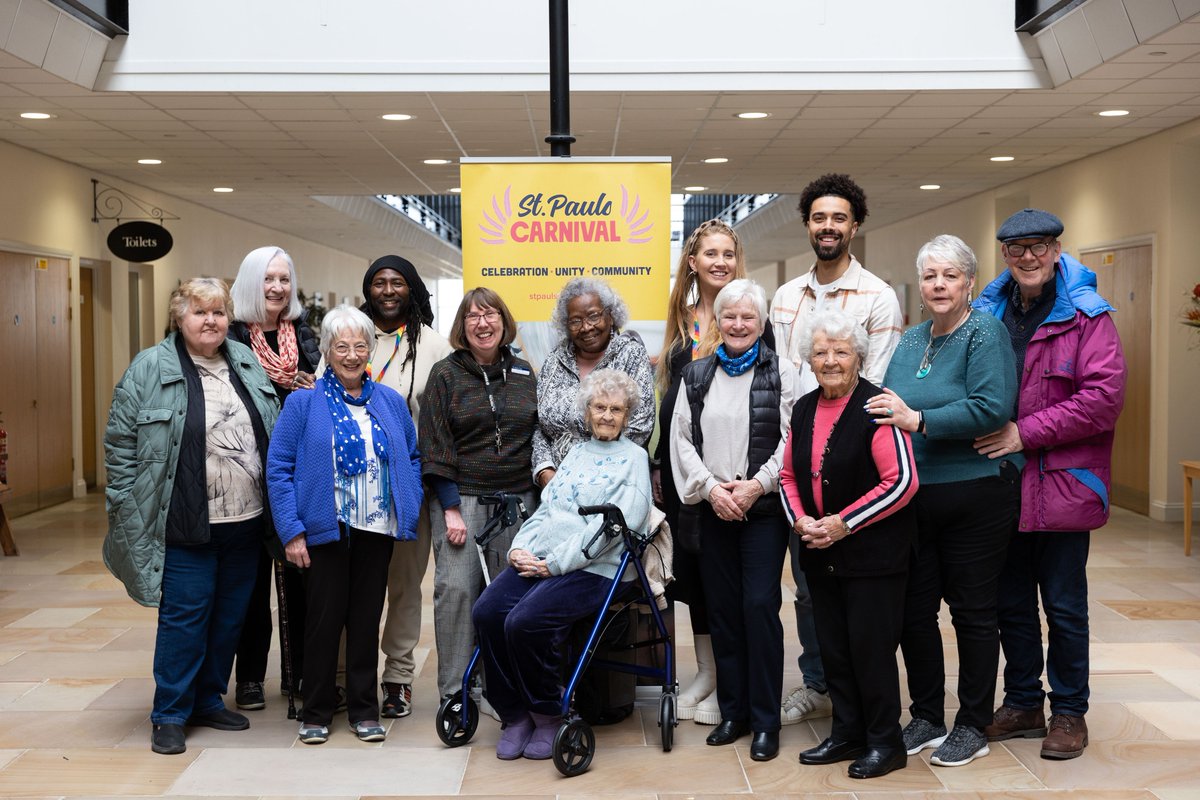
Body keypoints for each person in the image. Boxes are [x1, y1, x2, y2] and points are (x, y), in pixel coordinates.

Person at [102, 277, 280, 756]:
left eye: (219, 312)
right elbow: (120, 443)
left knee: (228, 618)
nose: (211, 321)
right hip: (184, 521)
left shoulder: (243, 360)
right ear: (179, 318)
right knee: (185, 618)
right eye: (200, 312)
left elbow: (271, 426)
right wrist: (122, 502)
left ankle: (207, 699)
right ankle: (170, 713)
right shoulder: (149, 368)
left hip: (245, 519)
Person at [973, 208, 1127, 760]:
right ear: (1006, 257)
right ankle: (1022, 703)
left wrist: (1024, 433)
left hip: (1062, 484)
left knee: (1063, 605)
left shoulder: (1090, 316)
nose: (1029, 257)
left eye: (1040, 247)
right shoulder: (986, 312)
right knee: (1009, 602)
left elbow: (1102, 400)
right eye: (1017, 250)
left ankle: (1069, 712)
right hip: (1000, 485)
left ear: (1057, 251)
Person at [869, 234, 1019, 767]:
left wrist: (920, 420)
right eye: (930, 275)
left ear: (970, 283)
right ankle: (928, 715)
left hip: (976, 492)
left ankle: (973, 723)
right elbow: (885, 402)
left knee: (973, 613)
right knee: (915, 612)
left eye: (949, 275)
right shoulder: (911, 340)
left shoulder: (985, 331)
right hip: (914, 494)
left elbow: (991, 406)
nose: (937, 284)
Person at [770, 173, 904, 728]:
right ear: (808, 224)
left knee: (861, 595)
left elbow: (867, 384)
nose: (829, 227)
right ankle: (822, 685)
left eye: (839, 218)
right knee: (808, 590)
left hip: (854, 461)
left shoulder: (878, 296)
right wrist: (791, 461)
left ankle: (869, 709)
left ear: (855, 224)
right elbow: (781, 379)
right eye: (820, 217)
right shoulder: (784, 298)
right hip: (799, 452)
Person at [472, 368, 652, 761]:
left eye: (616, 409)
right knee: (487, 611)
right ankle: (514, 714)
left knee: (524, 621)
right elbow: (547, 509)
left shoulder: (635, 460)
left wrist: (554, 563)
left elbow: (618, 527)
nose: (606, 415)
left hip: (594, 569)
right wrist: (521, 547)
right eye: (600, 407)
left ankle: (547, 714)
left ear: (627, 415)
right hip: (543, 560)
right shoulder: (574, 454)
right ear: (587, 412)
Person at [266, 305, 423, 745]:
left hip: (376, 528)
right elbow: (278, 467)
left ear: (370, 350)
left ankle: (364, 708)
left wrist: (407, 502)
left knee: (365, 619)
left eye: (359, 346)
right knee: (322, 622)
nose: (351, 355)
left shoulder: (389, 402)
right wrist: (292, 530)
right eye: (341, 346)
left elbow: (411, 454)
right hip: (324, 530)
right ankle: (315, 711)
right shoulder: (303, 402)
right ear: (328, 352)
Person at [781, 310, 918, 779]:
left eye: (841, 351)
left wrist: (843, 523)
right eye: (821, 352)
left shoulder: (877, 404)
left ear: (858, 355)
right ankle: (847, 733)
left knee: (870, 649)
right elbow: (786, 475)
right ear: (809, 360)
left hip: (872, 555)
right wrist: (800, 521)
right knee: (834, 647)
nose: (831, 360)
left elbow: (901, 481)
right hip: (819, 551)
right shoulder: (802, 408)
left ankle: (885, 742)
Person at [669, 279, 800, 762]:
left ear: (762, 323)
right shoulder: (697, 374)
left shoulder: (785, 372)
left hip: (762, 511)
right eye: (730, 316)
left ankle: (765, 721)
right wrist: (710, 489)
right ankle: (734, 713)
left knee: (760, 608)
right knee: (723, 611)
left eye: (748, 317)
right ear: (717, 322)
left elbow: (792, 438)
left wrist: (754, 487)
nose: (739, 324)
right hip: (713, 509)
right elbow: (681, 439)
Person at [653, 219, 761, 725]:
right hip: (681, 469)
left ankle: (731, 679)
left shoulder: (744, 317)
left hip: (730, 472)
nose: (720, 262)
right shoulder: (680, 321)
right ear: (692, 262)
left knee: (728, 578)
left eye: (728, 254)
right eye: (710, 254)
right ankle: (706, 673)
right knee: (692, 574)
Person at [419, 288, 538, 706]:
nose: (482, 323)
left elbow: (536, 435)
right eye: (473, 317)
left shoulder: (524, 372)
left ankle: (500, 688)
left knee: (507, 596)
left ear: (504, 323)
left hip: (518, 501)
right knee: (457, 592)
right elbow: (434, 443)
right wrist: (450, 508)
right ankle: (456, 692)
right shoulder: (445, 374)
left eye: (490, 315)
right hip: (462, 500)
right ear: (462, 327)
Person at [228, 245, 320, 711]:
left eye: (284, 278)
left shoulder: (303, 335)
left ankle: (298, 677)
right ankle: (248, 678)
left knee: (298, 583)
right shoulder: (230, 340)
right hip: (243, 472)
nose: (278, 287)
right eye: (268, 279)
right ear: (250, 282)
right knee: (249, 584)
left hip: (294, 474)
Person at [363, 255, 454, 720]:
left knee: (403, 586)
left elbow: (440, 419)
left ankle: (398, 678)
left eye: (397, 282)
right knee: (354, 586)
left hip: (407, 488)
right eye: (379, 282)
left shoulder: (433, 346)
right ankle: (345, 676)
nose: (388, 290)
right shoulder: (351, 334)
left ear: (411, 288)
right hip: (351, 489)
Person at [531, 277, 654, 489]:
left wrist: (587, 476)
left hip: (612, 485)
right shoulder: (554, 360)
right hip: (554, 488)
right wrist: (544, 470)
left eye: (594, 316)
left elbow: (639, 426)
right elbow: (539, 425)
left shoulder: (630, 354)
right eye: (575, 321)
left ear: (611, 316)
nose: (586, 327)